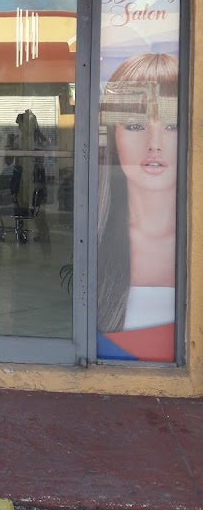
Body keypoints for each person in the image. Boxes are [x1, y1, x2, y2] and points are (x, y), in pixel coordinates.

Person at [97, 53, 178, 362]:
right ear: (113, 136)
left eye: (172, 125)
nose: (154, 143)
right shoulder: (93, 238)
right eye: (134, 125)